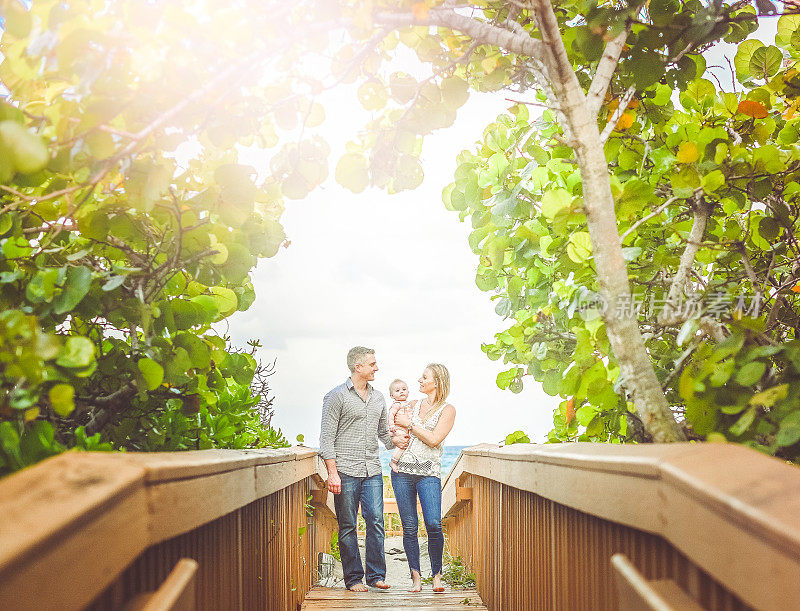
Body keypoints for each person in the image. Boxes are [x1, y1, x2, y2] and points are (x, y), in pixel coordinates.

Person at [319, 346, 408, 592]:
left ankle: (376, 575)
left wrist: (396, 443)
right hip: (345, 470)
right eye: (372, 364)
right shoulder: (335, 396)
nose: (376, 367)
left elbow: (382, 432)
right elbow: (327, 439)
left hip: (372, 470)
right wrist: (332, 472)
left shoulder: (379, 397)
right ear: (358, 367)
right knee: (348, 525)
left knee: (376, 521)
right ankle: (354, 579)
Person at [391, 363, 456, 594]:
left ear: (436, 382)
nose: (419, 380)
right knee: (409, 526)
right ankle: (416, 578)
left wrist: (409, 425)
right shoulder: (410, 404)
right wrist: (394, 438)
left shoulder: (448, 410)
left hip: (428, 473)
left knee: (433, 524)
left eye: (424, 377)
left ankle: (436, 576)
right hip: (402, 472)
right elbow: (393, 426)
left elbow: (434, 439)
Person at [387, 379, 415, 473]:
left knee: (407, 443)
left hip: (405, 428)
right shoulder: (397, 404)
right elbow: (391, 415)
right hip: (397, 428)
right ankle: (393, 461)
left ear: (408, 391)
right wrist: (391, 426)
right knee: (402, 443)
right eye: (397, 391)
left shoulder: (408, 404)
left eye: (404, 389)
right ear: (392, 395)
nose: (401, 392)